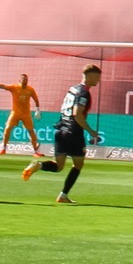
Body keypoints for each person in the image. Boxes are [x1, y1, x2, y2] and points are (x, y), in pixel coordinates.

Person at [21, 64, 104, 203]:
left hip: (60, 131)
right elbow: (77, 114)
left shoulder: (73, 89)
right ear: (89, 76)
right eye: (97, 77)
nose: (98, 80)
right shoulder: (84, 93)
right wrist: (91, 132)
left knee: (58, 166)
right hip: (73, 132)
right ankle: (63, 195)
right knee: (78, 165)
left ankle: (38, 165)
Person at [0, 73, 42, 155]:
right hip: (15, 112)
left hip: (26, 114)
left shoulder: (30, 89)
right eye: (23, 79)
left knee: (31, 131)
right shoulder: (14, 87)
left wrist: (37, 110)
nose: (25, 81)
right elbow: (4, 86)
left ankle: (36, 151)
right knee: (7, 128)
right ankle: (3, 148)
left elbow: (36, 99)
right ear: (19, 80)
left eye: (26, 79)